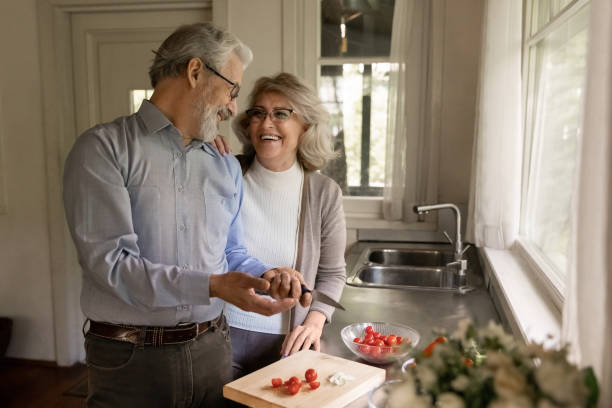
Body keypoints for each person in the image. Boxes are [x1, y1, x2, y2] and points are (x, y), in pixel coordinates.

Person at [62, 23, 310, 407]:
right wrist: (213, 286)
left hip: (213, 351)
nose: (232, 107)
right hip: (130, 360)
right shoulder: (103, 150)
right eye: (232, 90)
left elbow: (231, 252)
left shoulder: (224, 165)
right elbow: (111, 266)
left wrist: (267, 274)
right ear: (195, 72)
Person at [219, 73, 346, 379]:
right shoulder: (224, 173)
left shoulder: (324, 193)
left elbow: (332, 274)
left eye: (281, 114)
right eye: (258, 113)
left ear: (305, 126)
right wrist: (199, 149)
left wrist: (314, 322)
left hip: (287, 345)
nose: (266, 124)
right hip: (219, 335)